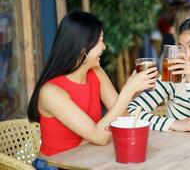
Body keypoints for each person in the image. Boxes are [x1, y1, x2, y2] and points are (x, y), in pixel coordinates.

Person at [27, 11, 158, 157]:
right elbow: (100, 137)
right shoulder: (51, 92)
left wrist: (134, 89)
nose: (104, 47)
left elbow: (124, 117)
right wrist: (128, 90)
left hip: (89, 157)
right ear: (82, 47)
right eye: (100, 40)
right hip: (55, 165)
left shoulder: (96, 72)